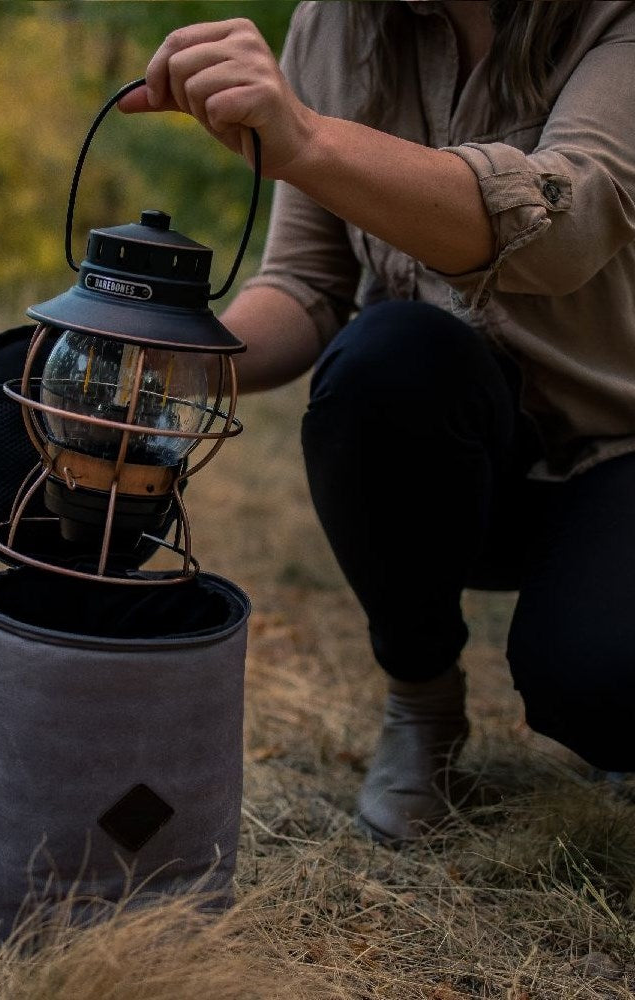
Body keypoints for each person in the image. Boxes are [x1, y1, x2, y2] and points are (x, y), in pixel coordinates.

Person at [119, 1, 635, 844]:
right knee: (384, 355)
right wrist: (165, 363)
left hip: (617, 450)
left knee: (601, 689)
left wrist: (311, 141)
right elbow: (307, 286)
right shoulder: (335, 24)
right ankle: (423, 704)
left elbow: (562, 227)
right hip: (455, 459)